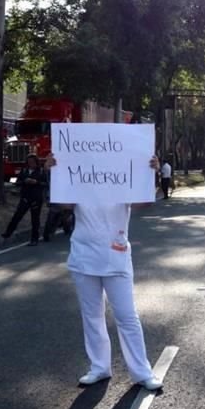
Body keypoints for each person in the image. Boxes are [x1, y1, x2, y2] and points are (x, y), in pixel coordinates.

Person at [44, 153, 163, 391]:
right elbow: (64, 204)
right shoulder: (80, 181)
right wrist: (52, 173)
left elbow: (144, 202)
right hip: (83, 257)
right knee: (92, 315)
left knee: (127, 316)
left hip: (115, 257)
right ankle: (99, 367)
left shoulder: (123, 180)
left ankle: (142, 372)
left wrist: (152, 173)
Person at [2, 154, 46, 246]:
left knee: (35, 219)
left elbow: (45, 184)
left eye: (33, 162)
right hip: (25, 197)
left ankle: (34, 239)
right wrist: (24, 181)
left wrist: (36, 182)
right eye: (29, 162)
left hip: (36, 198)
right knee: (17, 216)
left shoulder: (41, 171)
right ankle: (8, 233)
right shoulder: (24, 171)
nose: (31, 164)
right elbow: (17, 182)